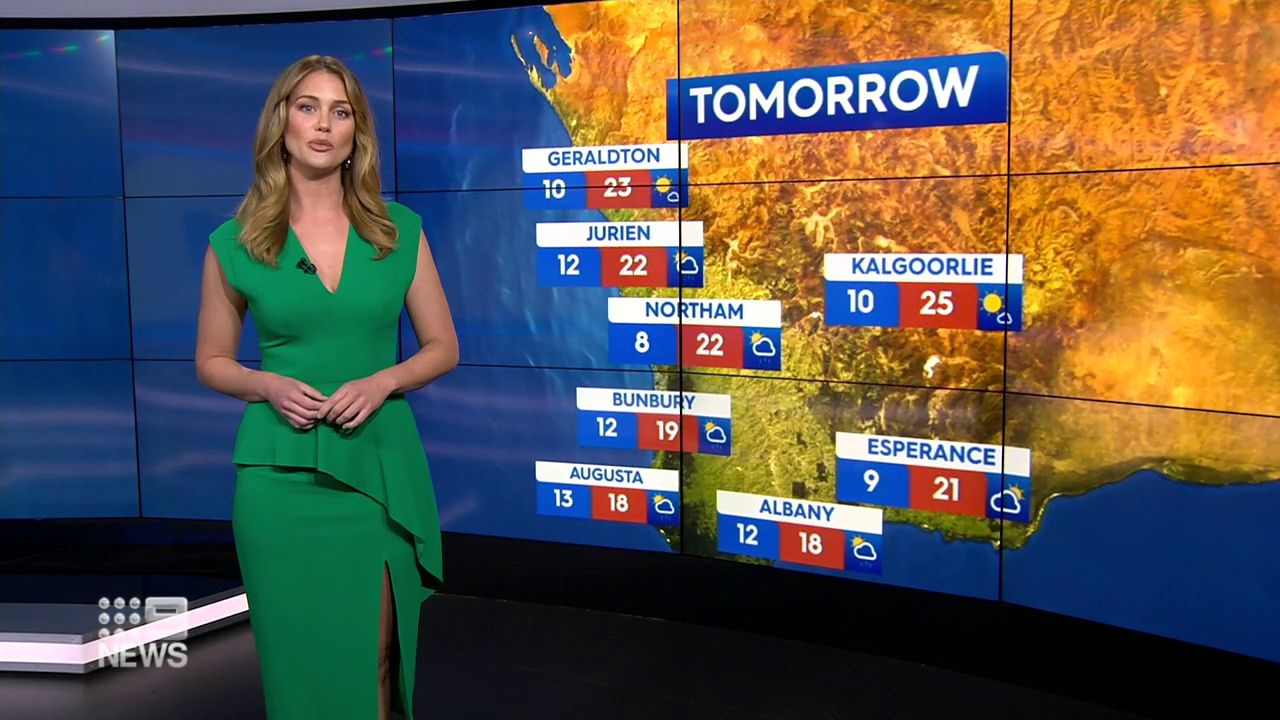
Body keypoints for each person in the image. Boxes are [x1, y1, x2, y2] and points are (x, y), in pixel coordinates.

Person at [195, 54, 458, 720]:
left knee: (376, 657)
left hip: (377, 471)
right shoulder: (234, 243)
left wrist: (383, 381)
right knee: (300, 667)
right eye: (307, 107)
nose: (322, 124)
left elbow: (443, 347)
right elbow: (212, 361)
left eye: (340, 112)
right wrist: (265, 385)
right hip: (278, 483)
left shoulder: (398, 232)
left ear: (355, 133)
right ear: (281, 122)